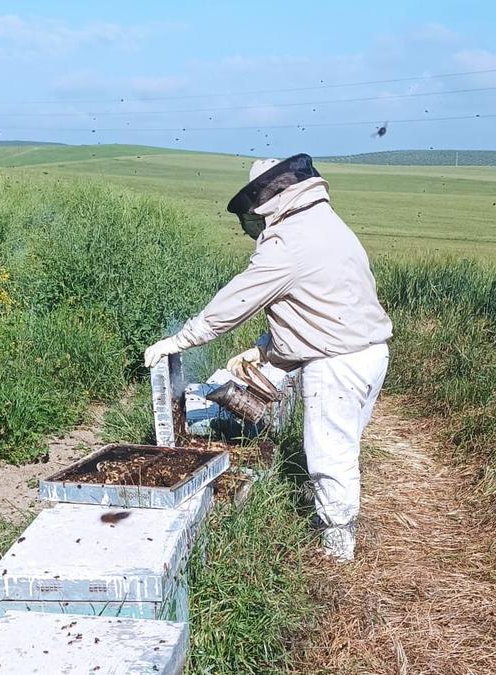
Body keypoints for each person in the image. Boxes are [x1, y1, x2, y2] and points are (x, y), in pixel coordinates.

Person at [144, 154, 392, 562]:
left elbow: (236, 300)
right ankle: (335, 525)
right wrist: (265, 350)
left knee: (330, 454)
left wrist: (181, 339)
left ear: (270, 198)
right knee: (342, 446)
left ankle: (337, 550)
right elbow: (321, 307)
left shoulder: (290, 240)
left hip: (337, 364)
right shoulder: (327, 225)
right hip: (368, 353)